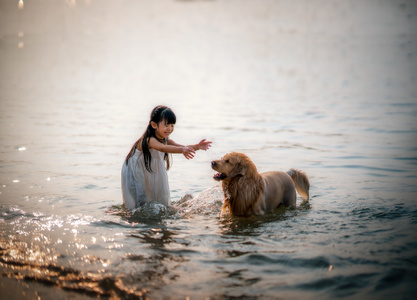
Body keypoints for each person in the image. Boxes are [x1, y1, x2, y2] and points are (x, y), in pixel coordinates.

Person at [121, 105, 212, 209]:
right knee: (139, 198)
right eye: (166, 125)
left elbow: (182, 147)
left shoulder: (166, 140)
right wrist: (182, 150)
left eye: (172, 125)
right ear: (154, 125)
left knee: (157, 197)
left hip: (149, 170)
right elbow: (163, 148)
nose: (170, 129)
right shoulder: (149, 140)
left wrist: (197, 146)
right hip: (136, 170)